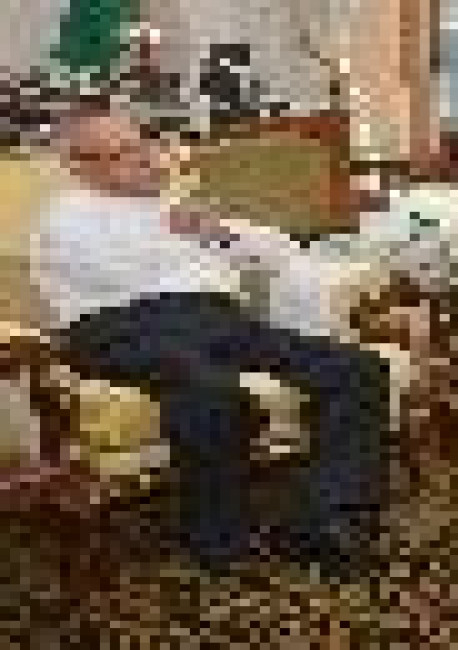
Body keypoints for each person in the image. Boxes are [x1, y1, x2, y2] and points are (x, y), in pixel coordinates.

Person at [31, 95, 390, 581]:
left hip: (220, 320)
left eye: (141, 146)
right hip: (122, 326)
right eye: (120, 154)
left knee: (356, 369)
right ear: (79, 166)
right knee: (211, 393)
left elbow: (278, 252)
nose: (143, 160)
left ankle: (324, 518)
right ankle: (219, 542)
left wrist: (215, 232)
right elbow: (124, 272)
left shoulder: (177, 205)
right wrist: (183, 230)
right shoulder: (64, 217)